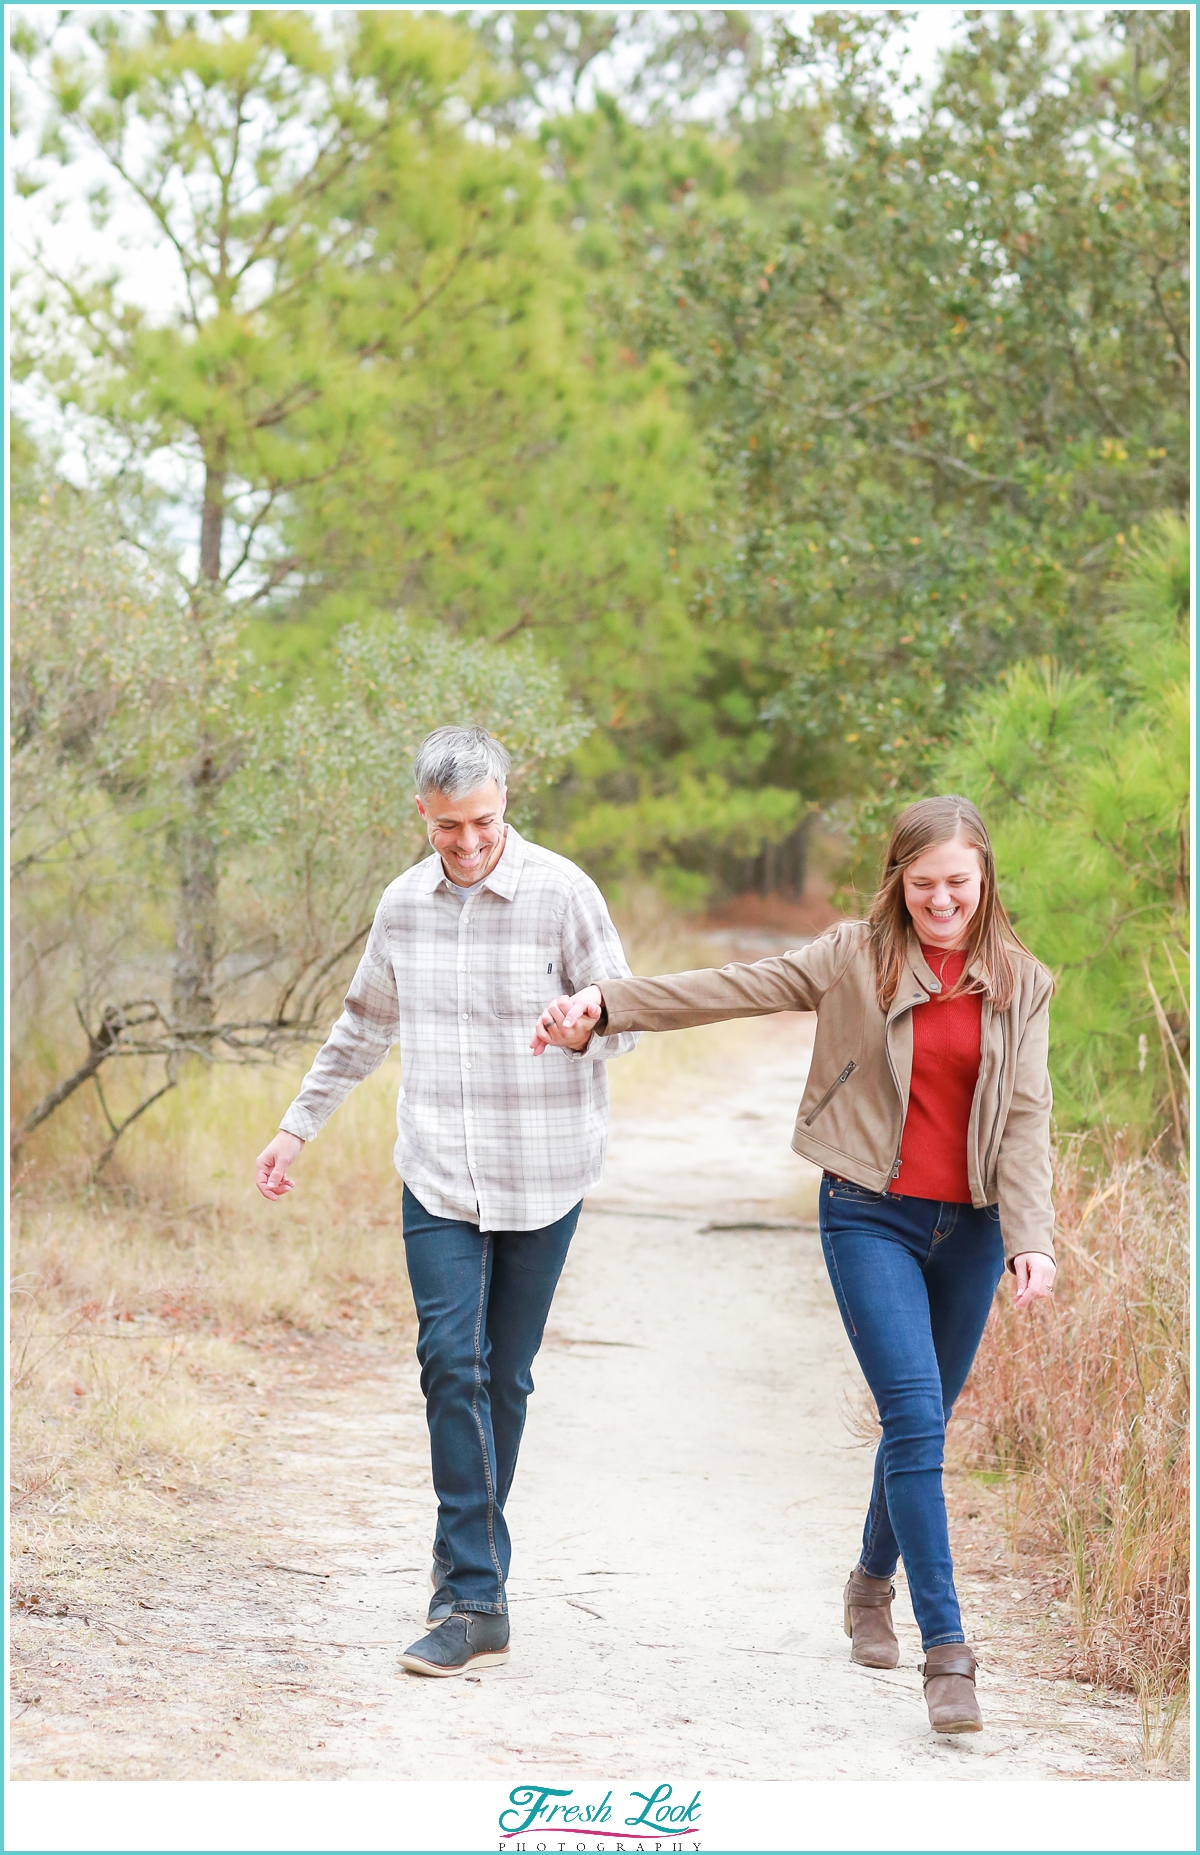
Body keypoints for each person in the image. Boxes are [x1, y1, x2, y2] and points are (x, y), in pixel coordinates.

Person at [532, 794, 1056, 1735]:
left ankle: (868, 1583)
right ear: (899, 879)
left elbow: (1024, 1121)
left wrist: (1033, 1238)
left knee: (925, 1419)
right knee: (913, 1415)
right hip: (869, 1213)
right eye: (925, 883)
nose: (944, 901)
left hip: (972, 1229)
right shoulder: (852, 955)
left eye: (960, 884)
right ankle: (950, 1653)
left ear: (986, 880)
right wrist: (608, 1005)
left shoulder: (1021, 982)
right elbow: (735, 984)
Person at [255, 725, 637, 1678]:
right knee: (448, 1364)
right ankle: (475, 1595)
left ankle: (465, 1551)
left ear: (506, 800)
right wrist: (296, 1126)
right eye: (448, 828)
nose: (467, 844)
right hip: (437, 1173)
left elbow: (630, 1012)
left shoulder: (562, 891)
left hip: (544, 1171)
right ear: (420, 815)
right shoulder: (403, 904)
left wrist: (589, 1020)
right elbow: (362, 1025)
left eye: (483, 822)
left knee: (502, 1378)